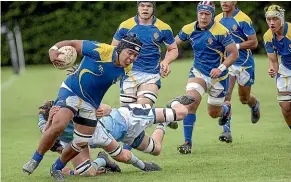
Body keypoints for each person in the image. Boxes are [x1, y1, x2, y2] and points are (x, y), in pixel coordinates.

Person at [23, 34, 144, 181]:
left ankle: (56, 168)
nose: (132, 58)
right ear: (120, 49)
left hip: (90, 104)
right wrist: (53, 50)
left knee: (80, 142)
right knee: (59, 125)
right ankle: (34, 160)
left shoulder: (127, 67)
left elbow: (99, 81)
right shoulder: (100, 50)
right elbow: (72, 42)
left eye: (136, 55)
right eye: (130, 53)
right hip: (71, 91)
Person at [38, 95, 195, 177]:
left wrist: (103, 109)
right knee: (157, 149)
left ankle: (174, 104)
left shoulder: (76, 112)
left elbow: (104, 107)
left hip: (130, 115)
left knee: (181, 113)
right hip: (124, 136)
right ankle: (164, 124)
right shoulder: (46, 122)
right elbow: (49, 138)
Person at [112, 1, 179, 150]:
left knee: (140, 113)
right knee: (128, 118)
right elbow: (113, 49)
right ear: (137, 7)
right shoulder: (125, 25)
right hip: (128, 75)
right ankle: (165, 119)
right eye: (142, 5)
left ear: (153, 7)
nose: (145, 9)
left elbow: (173, 49)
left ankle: (125, 152)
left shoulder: (163, 28)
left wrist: (166, 61)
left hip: (150, 75)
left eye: (148, 6)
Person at [174, 1, 239, 154]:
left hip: (219, 77)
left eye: (207, 14)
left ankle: (225, 110)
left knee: (213, 113)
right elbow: (173, 45)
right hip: (198, 72)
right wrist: (165, 61)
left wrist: (221, 68)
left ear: (212, 15)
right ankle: (187, 143)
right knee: (191, 102)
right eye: (201, 13)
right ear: (197, 13)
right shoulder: (188, 28)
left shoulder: (221, 31)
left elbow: (234, 54)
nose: (203, 17)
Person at [214, 1, 260, 143]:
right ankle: (226, 132)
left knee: (244, 98)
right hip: (228, 63)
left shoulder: (243, 19)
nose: (225, 2)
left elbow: (254, 42)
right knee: (226, 95)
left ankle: (255, 104)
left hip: (245, 64)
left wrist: (235, 46)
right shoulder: (216, 19)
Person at [37, 101, 121, 176]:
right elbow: (45, 134)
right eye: (60, 151)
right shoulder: (43, 119)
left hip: (88, 131)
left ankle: (101, 160)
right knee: (88, 172)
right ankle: (102, 160)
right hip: (76, 139)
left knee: (87, 168)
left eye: (61, 151)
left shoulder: (67, 106)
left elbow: (106, 108)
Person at [263, 5, 291, 130]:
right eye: (269, 20)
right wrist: (272, 69)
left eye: (275, 19)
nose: (271, 23)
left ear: (282, 19)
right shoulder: (268, 37)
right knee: (285, 107)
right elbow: (273, 61)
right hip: (285, 70)